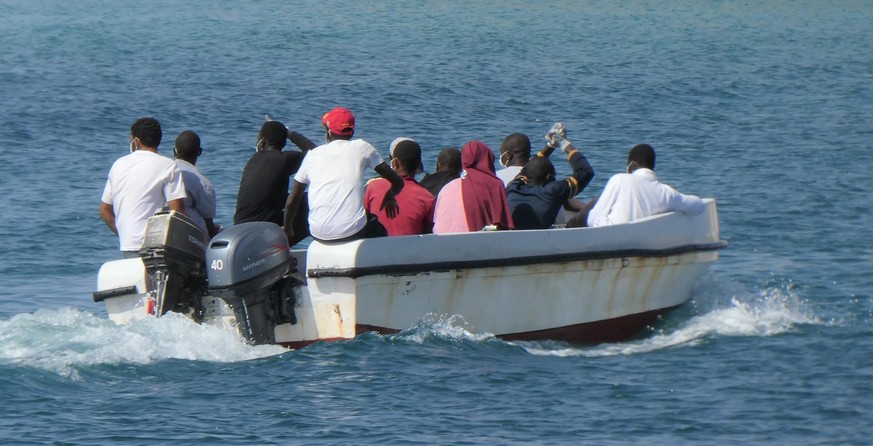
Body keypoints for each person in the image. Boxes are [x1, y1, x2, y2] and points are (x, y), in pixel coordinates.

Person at [283, 107, 404, 243]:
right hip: (353, 232)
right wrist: (389, 196)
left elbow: (293, 200)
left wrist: (288, 229)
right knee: (379, 228)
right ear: (352, 131)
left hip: (318, 234)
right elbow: (398, 182)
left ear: (328, 132)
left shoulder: (313, 155)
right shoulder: (363, 147)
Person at [100, 117, 187, 258]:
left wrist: (124, 233)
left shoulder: (118, 165)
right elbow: (178, 211)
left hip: (127, 245)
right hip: (156, 245)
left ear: (136, 141)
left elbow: (105, 211)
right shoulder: (168, 166)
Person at [567, 143, 705, 228]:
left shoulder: (620, 179)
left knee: (597, 200)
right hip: (640, 240)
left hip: (609, 236)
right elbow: (699, 206)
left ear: (631, 165)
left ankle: (567, 227)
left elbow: (593, 219)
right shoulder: (666, 193)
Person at [234, 119, 316, 246]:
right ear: (284, 142)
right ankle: (283, 245)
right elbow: (316, 153)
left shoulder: (252, 161)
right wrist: (291, 134)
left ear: (261, 142)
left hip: (239, 231)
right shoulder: (284, 159)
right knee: (311, 199)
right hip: (262, 232)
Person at [506, 125, 595, 230]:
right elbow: (585, 171)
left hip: (511, 236)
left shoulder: (513, 187)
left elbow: (530, 167)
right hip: (540, 240)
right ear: (549, 178)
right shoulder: (552, 190)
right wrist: (564, 143)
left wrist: (550, 145)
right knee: (595, 202)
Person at [432, 140, 514, 234]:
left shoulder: (447, 187)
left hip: (441, 241)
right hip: (472, 242)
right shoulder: (494, 185)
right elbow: (503, 225)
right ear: (488, 159)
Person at [364, 138, 436, 235]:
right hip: (409, 249)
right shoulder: (427, 198)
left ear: (395, 163)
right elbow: (429, 233)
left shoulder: (373, 187)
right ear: (419, 165)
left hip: (376, 248)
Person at [173, 130, 219, 238]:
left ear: (174, 151)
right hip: (189, 238)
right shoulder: (202, 183)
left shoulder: (163, 173)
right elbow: (209, 226)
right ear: (199, 152)